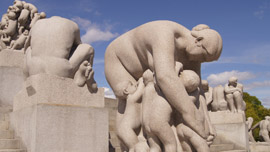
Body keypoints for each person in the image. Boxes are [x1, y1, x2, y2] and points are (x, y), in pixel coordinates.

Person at [105, 21, 222, 142]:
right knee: (131, 99)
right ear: (198, 40)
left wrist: (207, 123)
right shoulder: (165, 32)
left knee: (177, 95)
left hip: (148, 71)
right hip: (120, 61)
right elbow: (165, 77)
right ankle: (134, 145)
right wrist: (192, 117)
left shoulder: (192, 55)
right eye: (203, 56)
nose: (201, 61)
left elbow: (199, 90)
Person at [24, 16, 97, 93]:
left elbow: (26, 46)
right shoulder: (72, 25)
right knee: (88, 48)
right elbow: (78, 45)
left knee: (28, 50)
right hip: (60, 69)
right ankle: (83, 74)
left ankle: (26, 82)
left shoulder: (36, 25)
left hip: (34, 69)